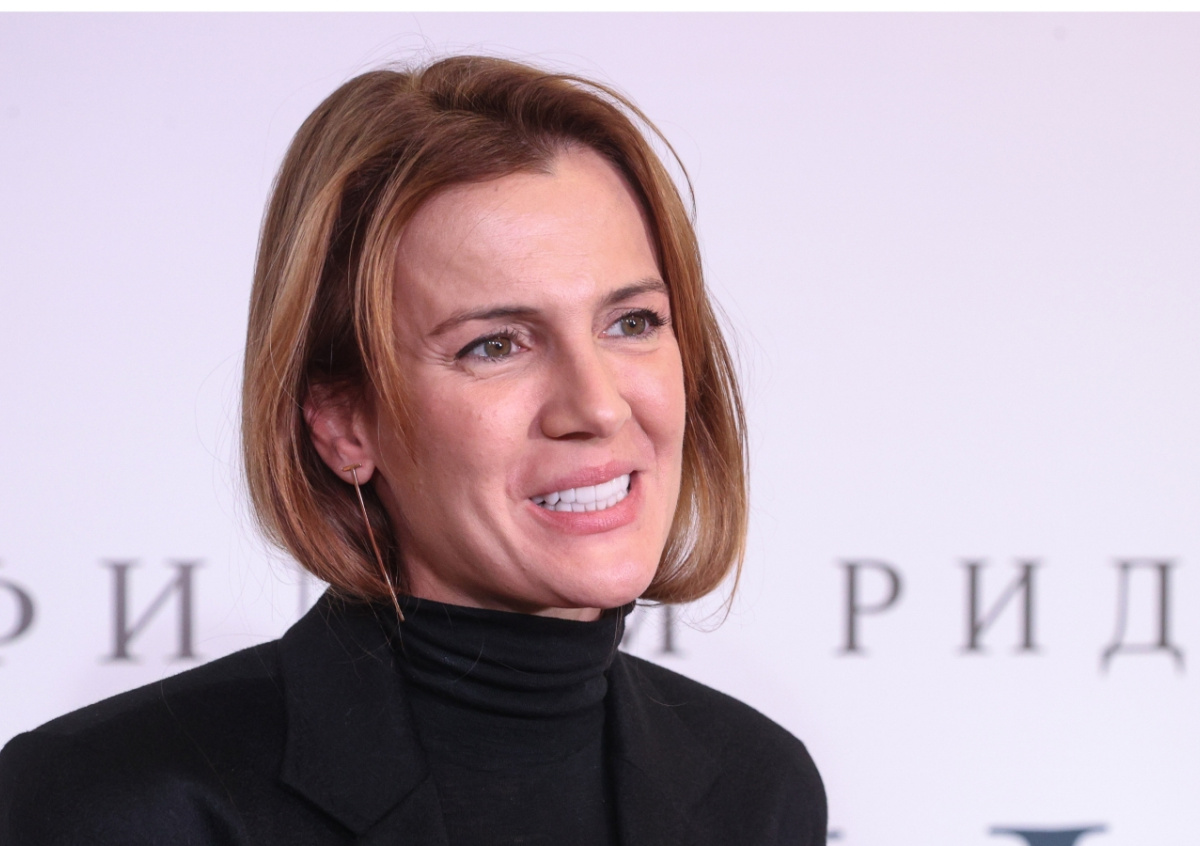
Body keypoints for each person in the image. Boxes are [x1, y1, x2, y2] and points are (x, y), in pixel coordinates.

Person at [0, 55, 826, 844]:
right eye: (495, 344)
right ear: (343, 424)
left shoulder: (758, 787)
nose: (599, 406)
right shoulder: (113, 802)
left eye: (632, 322)